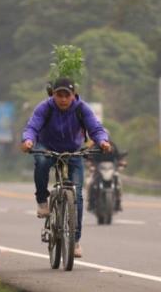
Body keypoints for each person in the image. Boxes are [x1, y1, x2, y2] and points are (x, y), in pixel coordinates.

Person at [21, 77, 111, 258]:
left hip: (73, 151)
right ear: (53, 95)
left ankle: (75, 241)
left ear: (73, 95)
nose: (62, 99)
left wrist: (102, 141)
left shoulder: (81, 109)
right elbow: (32, 126)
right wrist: (28, 140)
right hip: (47, 147)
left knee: (76, 195)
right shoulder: (44, 108)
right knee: (41, 162)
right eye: (58, 95)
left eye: (66, 95)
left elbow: (96, 128)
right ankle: (42, 201)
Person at [86, 139, 126, 212]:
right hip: (97, 170)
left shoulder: (112, 145)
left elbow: (118, 156)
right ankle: (90, 203)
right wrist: (89, 164)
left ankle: (118, 202)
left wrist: (121, 162)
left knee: (119, 182)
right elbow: (89, 157)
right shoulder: (94, 147)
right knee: (90, 183)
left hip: (111, 169)